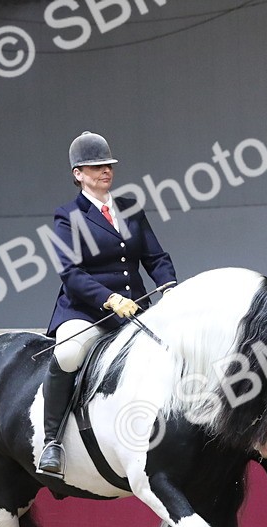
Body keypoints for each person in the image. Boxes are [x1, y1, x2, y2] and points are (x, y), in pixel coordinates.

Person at [37, 131, 176, 476]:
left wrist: (170, 289)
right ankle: (52, 442)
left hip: (134, 308)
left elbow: (155, 257)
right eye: (96, 166)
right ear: (78, 174)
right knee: (68, 354)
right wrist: (110, 299)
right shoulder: (68, 215)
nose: (105, 171)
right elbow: (70, 273)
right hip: (86, 310)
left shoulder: (130, 208)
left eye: (108, 165)